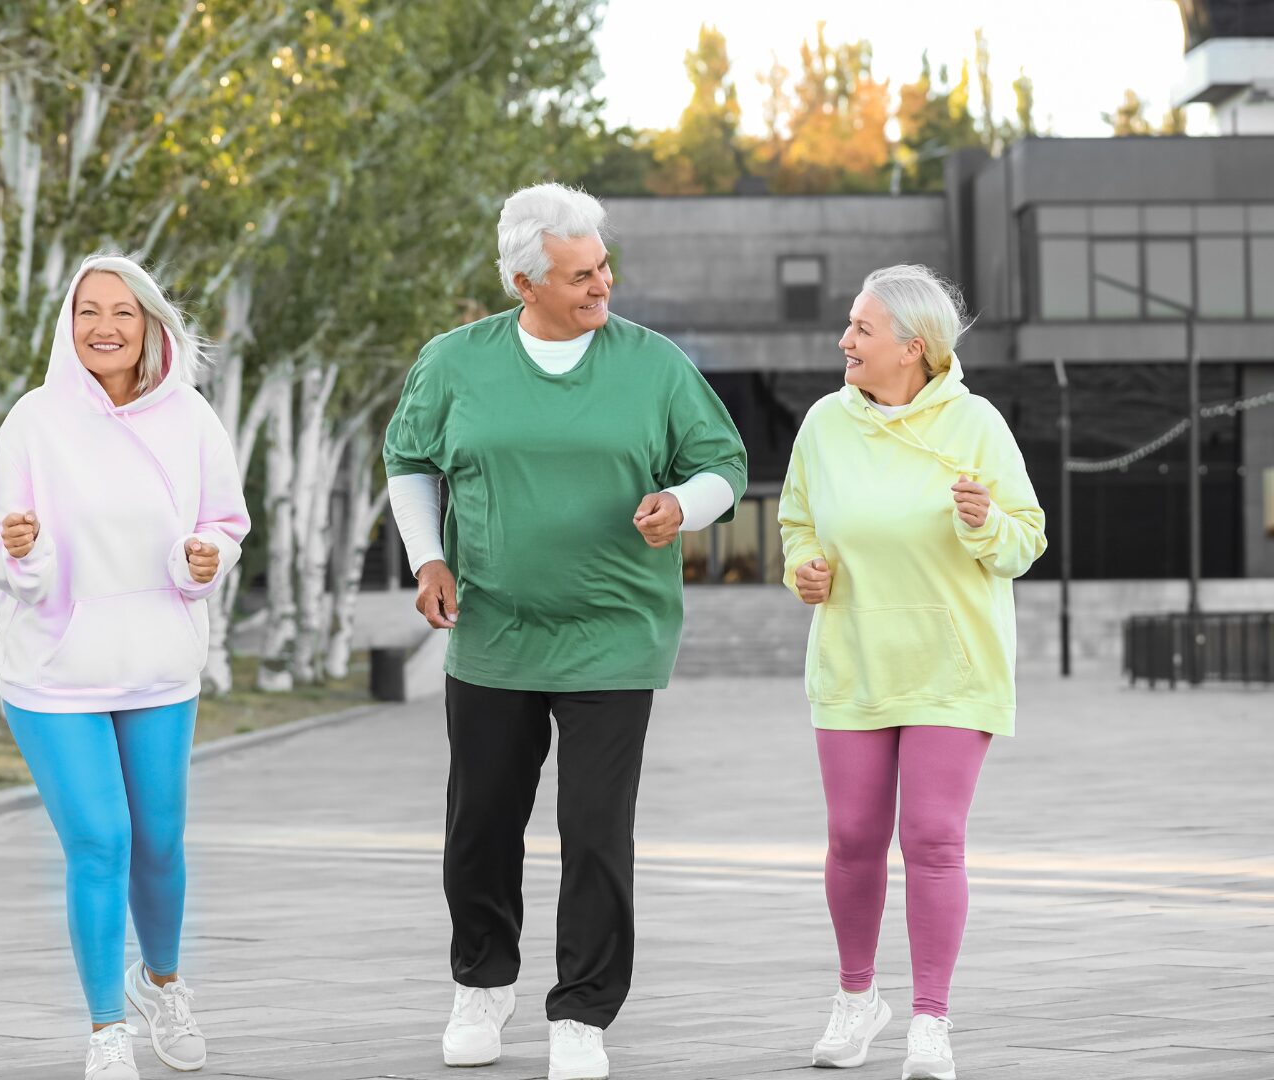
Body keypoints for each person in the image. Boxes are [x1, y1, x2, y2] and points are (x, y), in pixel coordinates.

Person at [382, 183, 748, 1080]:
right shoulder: (453, 363)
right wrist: (428, 558)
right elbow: (410, 460)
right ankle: (483, 981)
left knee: (594, 830)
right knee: (481, 824)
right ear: (523, 282)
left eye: (604, 268)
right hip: (493, 630)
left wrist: (682, 505)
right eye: (580, 275)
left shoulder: (652, 364)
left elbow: (724, 463)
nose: (602, 286)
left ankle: (582, 1012)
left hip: (614, 634)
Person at [0, 253, 250, 1080]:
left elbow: (226, 523)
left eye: (123, 313)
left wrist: (203, 558)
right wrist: (22, 554)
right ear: (69, 324)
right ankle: (106, 1032)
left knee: (159, 844)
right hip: (55, 670)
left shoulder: (192, 419)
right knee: (101, 841)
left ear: (150, 326)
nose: (104, 326)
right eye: (89, 311)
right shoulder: (33, 419)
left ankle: (162, 984)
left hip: (158, 666)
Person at [779, 264, 1047, 1080]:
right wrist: (805, 569)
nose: (844, 341)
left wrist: (984, 522)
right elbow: (796, 521)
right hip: (854, 659)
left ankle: (932, 1019)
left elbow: (1026, 540)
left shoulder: (976, 425)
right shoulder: (824, 424)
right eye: (849, 325)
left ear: (914, 348)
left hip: (951, 664)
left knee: (932, 838)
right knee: (853, 839)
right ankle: (857, 1000)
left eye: (861, 329)